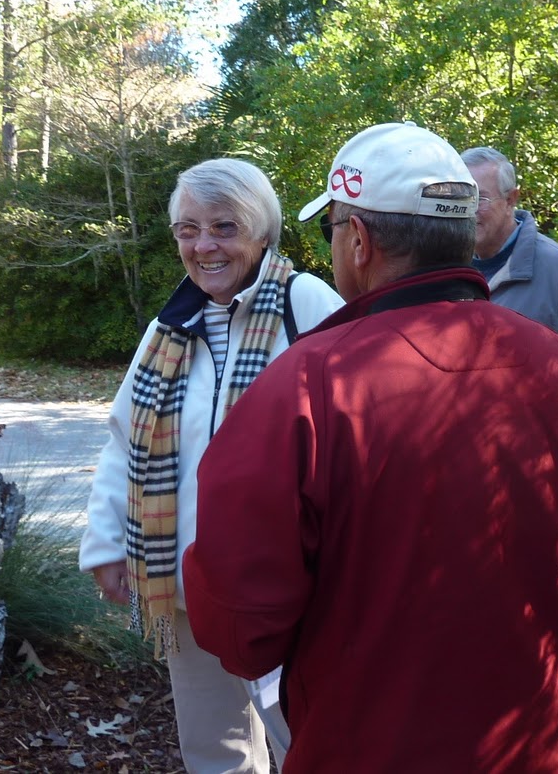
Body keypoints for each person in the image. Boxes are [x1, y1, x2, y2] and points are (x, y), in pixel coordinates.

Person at [182, 123, 558, 774]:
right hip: (539, 747)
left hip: (367, 749)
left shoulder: (307, 385)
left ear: (359, 241)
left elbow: (239, 624)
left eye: (331, 228)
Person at [79, 158, 344, 773]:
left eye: (225, 227)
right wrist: (107, 544)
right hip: (186, 583)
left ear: (262, 232)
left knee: (308, 740)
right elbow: (125, 441)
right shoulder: (168, 328)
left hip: (285, 586)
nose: (204, 246)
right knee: (213, 747)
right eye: (188, 230)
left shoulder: (305, 304)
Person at [461, 146, 558, 387]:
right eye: (462, 198)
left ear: (511, 199)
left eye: (480, 198)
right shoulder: (452, 271)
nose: (469, 210)